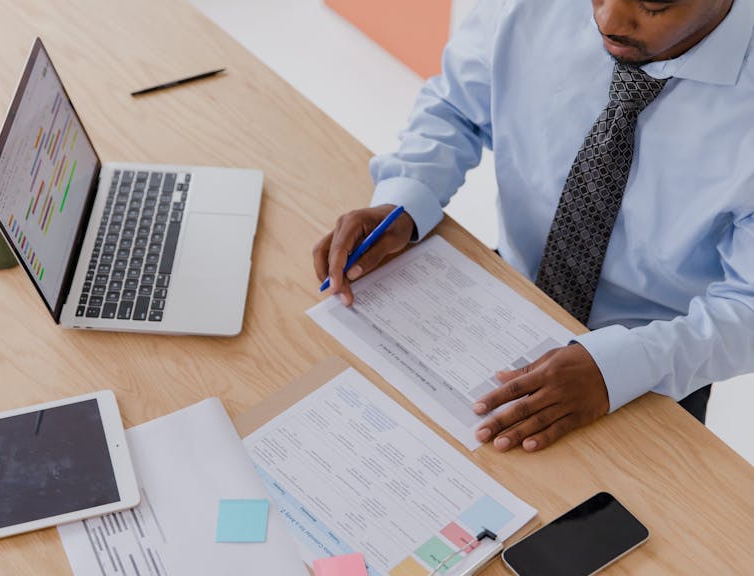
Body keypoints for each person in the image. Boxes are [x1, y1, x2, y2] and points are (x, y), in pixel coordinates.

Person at [312, 0, 754, 452]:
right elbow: (456, 107)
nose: (609, 21)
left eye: (652, 4)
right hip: (506, 299)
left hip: (657, 364)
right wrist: (405, 199)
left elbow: (749, 306)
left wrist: (619, 368)